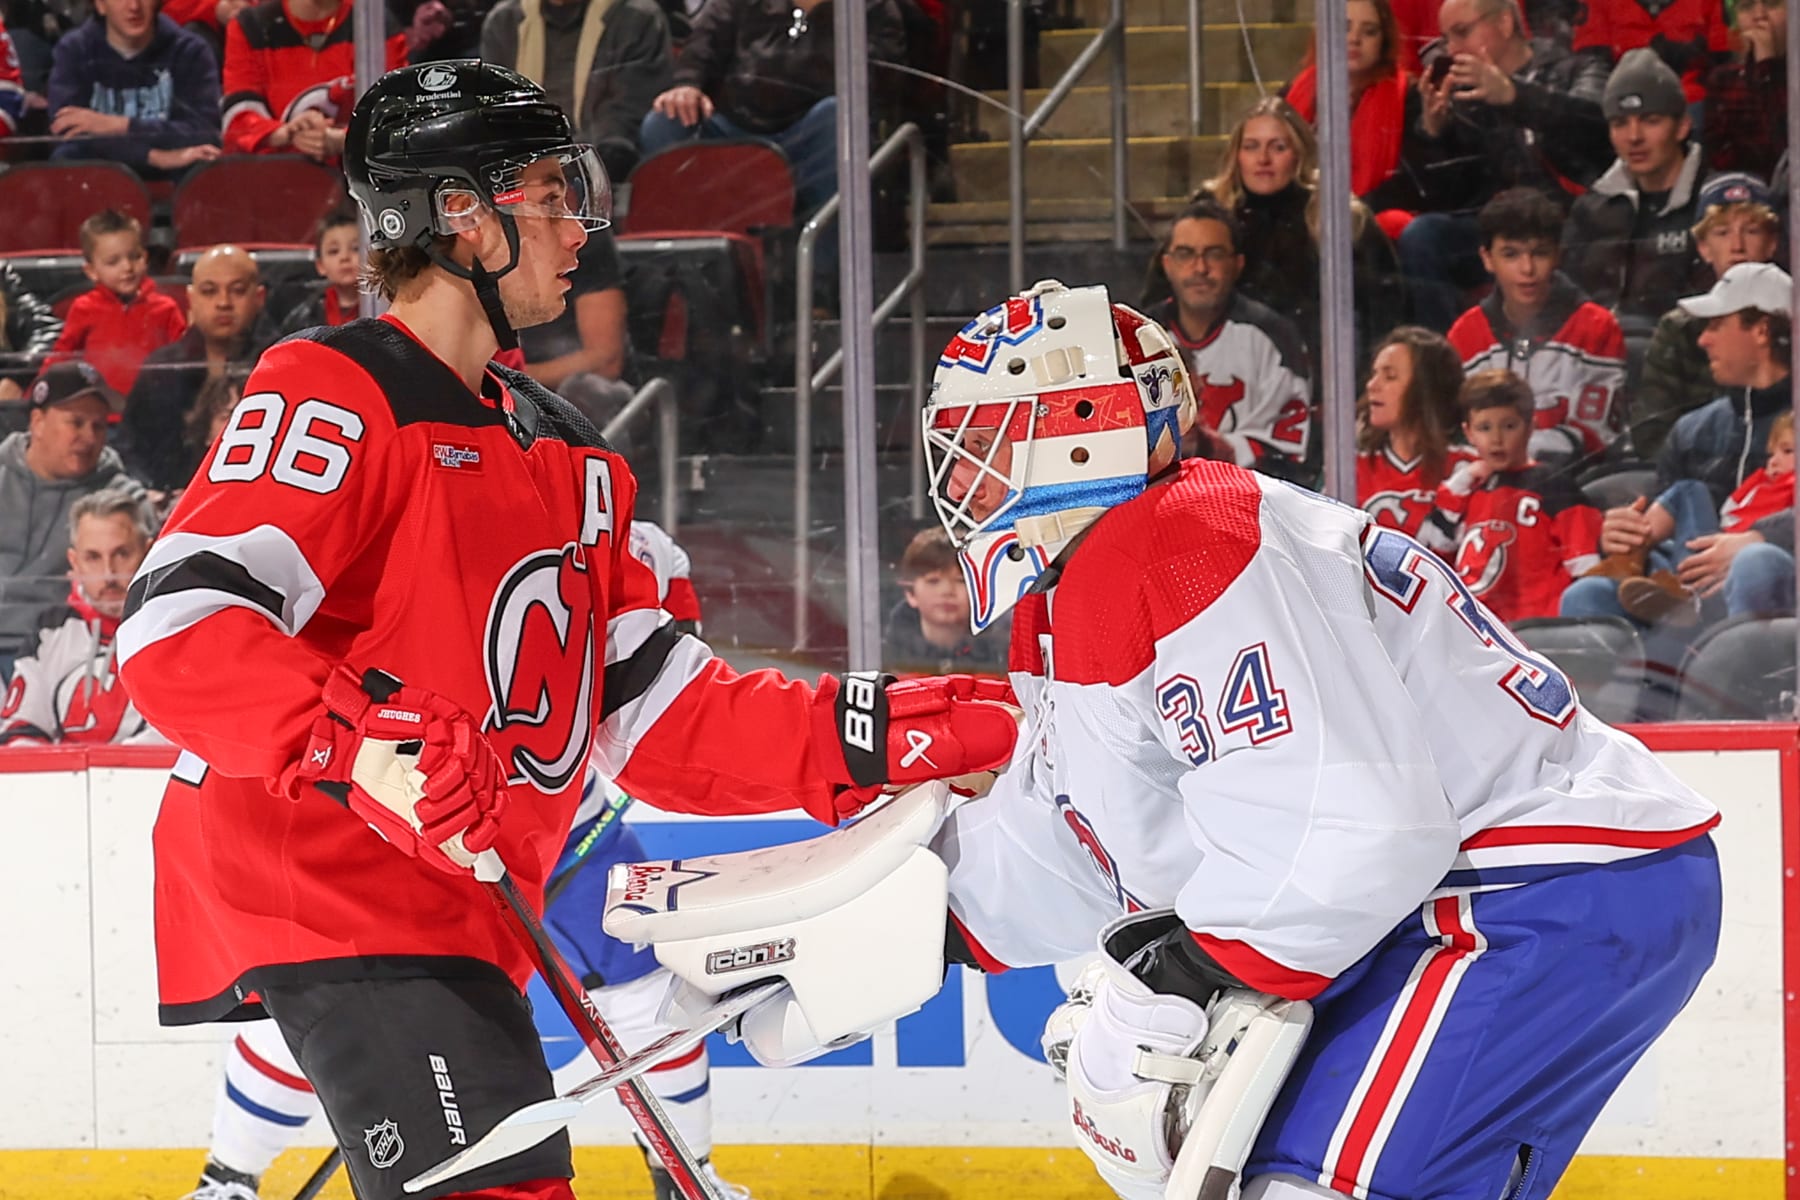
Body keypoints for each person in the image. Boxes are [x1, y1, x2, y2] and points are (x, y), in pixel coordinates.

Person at [115, 61, 1017, 1200]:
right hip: (329, 878)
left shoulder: (577, 455)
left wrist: (917, 729)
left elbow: (663, 716)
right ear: (459, 216)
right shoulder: (336, 390)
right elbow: (180, 628)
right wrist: (363, 747)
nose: (578, 225)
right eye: (546, 191)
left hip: (462, 904)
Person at [919, 278, 1719, 1200]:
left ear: (1080, 430)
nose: (963, 474)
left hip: (1532, 888)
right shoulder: (1098, 578)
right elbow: (1099, 845)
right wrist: (885, 935)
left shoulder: (1182, 540)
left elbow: (1348, 825)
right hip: (1493, 893)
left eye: (986, 441)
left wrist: (1176, 972)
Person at [178, 521, 757, 1200]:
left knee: (642, 996)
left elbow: (661, 697)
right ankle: (227, 1179)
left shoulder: (637, 546)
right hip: (396, 825)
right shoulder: (385, 526)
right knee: (321, 1007)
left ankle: (687, 1178)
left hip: (559, 824)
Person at [1564, 263, 1795, 627]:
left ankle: (1749, 677)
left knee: (1756, 563)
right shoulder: (1693, 429)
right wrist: (1625, 538)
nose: (1703, 339)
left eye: (1717, 324)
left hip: (1780, 580)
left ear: (1762, 330)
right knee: (1586, 595)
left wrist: (1761, 538)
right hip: (1688, 584)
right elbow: (1665, 520)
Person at [1396, 0, 1613, 331]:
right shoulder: (1465, 96)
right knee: (1423, 236)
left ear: (1505, 24)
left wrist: (1516, 96)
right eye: (1446, 39)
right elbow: (1446, 196)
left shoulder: (1579, 68)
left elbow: (1595, 128)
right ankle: (1445, 364)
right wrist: (1432, 133)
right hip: (1495, 228)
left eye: (1462, 33)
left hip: (1568, 222)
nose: (1452, 50)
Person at [1190, 98, 1404, 377]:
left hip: (1323, 374)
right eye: (1251, 146)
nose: (1263, 159)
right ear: (1237, 155)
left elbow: (1384, 307)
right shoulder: (1207, 216)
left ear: (1299, 154)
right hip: (1220, 370)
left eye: (1278, 147)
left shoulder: (1339, 215)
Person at [1447, 188, 1626, 463]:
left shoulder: (1596, 326)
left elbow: (1596, 435)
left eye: (1539, 253)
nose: (1527, 269)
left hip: (1567, 482)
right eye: (1511, 254)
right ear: (1487, 259)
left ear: (1557, 255)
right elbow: (1453, 431)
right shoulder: (1465, 334)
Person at [1140, 198, 1312, 482]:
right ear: (1167, 264)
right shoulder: (1140, 337)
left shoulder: (1275, 338)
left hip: (1248, 503)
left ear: (1237, 264)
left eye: (1214, 254)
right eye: (1185, 254)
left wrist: (1209, 448)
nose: (1200, 268)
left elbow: (1287, 452)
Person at [0, 361, 143, 677]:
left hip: (63, 654)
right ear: (37, 422)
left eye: (99, 426)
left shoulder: (123, 499)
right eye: (76, 423)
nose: (89, 437)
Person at [1427, 369, 1602, 623]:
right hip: (1470, 629)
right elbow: (1435, 553)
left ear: (1531, 426)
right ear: (1468, 433)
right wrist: (1458, 485)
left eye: (1509, 426)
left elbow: (1585, 566)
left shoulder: (1554, 485)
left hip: (1535, 631)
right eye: (1484, 428)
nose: (1496, 439)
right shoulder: (1468, 490)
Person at [1589, 410, 1794, 626]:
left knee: (1755, 560)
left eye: (1788, 451)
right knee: (1690, 491)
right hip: (1708, 552)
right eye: (1772, 454)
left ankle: (1684, 594)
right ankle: (1630, 556)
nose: (1773, 462)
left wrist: (1762, 537)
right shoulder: (1760, 483)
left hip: (1739, 572)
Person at [1634, 170, 1782, 458]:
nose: (1737, 246)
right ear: (1703, 247)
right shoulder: (1680, 329)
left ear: (1772, 242)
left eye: (1751, 231)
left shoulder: (1791, 321)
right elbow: (1651, 433)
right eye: (1722, 232)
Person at [1561, 49, 1709, 334]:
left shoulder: (1711, 204)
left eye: (1650, 120)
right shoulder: (1590, 208)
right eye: (1620, 123)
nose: (1634, 137)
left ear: (1682, 127)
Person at [0, 485, 160, 744]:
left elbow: (187, 737)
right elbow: (20, 732)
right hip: (63, 783)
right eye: (93, 557)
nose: (109, 573)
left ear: (148, 552)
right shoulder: (49, 632)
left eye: (122, 554)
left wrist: (109, 773)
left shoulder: (176, 627)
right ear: (74, 563)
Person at [123, 244, 278, 494]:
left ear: (259, 297)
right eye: (209, 291)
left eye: (237, 291)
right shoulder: (162, 369)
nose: (223, 303)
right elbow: (132, 449)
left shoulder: (281, 366)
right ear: (191, 299)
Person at [479, 0, 672, 182]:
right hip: (522, 167)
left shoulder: (637, 18)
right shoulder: (504, 22)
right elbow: (497, 110)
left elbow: (624, 113)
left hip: (603, 165)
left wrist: (573, 165)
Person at [46, 0, 222, 180]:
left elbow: (204, 134)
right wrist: (152, 157)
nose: (134, 7)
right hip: (98, 186)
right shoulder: (74, 51)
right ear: (100, 5)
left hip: (172, 186)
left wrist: (118, 126)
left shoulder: (190, 51)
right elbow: (67, 135)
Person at [1280, 0, 1420, 217]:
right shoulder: (1293, 92)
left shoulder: (1408, 96)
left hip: (1371, 216)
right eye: (1344, 27)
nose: (1354, 39)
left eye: (1370, 32)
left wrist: (1351, 212)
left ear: (1384, 41)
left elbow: (1407, 184)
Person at [220, 0, 406, 160]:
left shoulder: (375, 25)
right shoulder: (252, 26)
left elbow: (396, 120)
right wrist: (287, 133)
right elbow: (238, 119)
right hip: (271, 179)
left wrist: (342, 140)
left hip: (354, 181)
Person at [52, 209, 187, 396]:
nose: (127, 267)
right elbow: (60, 359)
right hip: (100, 414)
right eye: (113, 262)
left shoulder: (166, 308)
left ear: (145, 257)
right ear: (91, 271)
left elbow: (186, 359)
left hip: (156, 409)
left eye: (134, 257)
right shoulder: (84, 308)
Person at [1355, 325, 1470, 542]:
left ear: (1426, 388)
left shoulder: (1469, 468)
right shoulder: (1349, 469)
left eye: (1389, 377)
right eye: (1374, 374)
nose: (1372, 385)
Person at [882, 526, 1007, 675]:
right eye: (933, 581)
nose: (947, 591)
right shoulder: (887, 660)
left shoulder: (1004, 655)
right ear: (911, 593)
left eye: (961, 581)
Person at [1702, 0, 1786, 180]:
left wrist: (1766, 68)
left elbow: (1784, 152)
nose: (1759, 16)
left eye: (1772, 4)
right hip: (1744, 197)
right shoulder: (1723, 80)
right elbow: (1721, 163)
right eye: (1747, 6)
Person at [278, 208, 363, 334]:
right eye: (334, 251)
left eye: (356, 249)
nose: (345, 257)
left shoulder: (384, 308)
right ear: (320, 265)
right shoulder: (304, 317)